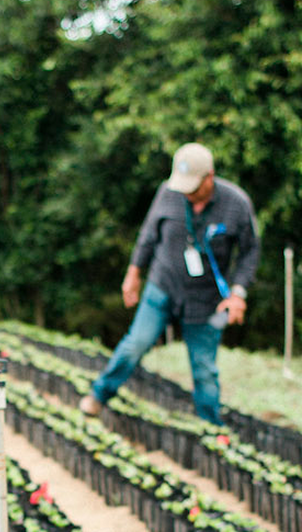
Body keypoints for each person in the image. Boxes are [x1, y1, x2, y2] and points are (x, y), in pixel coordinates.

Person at [78, 142, 258, 426]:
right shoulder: (169, 193)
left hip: (206, 300)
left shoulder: (236, 204)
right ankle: (98, 396)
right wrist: (134, 273)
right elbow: (148, 236)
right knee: (135, 344)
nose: (187, 193)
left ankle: (210, 430)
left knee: (204, 370)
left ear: (209, 177)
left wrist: (238, 294)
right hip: (162, 287)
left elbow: (250, 252)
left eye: (193, 187)